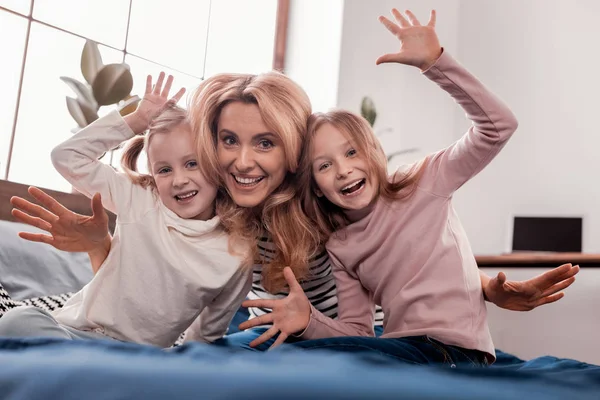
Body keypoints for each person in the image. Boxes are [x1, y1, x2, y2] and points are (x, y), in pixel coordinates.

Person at [9, 41, 577, 352]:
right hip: (229, 334)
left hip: (339, 338)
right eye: (228, 141)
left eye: (264, 144)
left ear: (293, 153)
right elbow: (152, 286)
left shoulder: (326, 205)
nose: (241, 161)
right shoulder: (187, 201)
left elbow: (398, 254)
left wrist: (487, 289)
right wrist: (99, 247)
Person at [239, 8, 579, 366]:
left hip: (453, 350)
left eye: (351, 152)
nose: (343, 170)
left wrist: (436, 63)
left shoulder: (423, 180)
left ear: (372, 152)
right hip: (403, 349)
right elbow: (357, 333)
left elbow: (498, 127)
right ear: (318, 188)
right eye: (324, 166)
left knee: (317, 355)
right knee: (310, 352)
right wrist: (308, 321)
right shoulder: (341, 244)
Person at [0, 73, 251, 348]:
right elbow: (66, 158)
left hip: (138, 358)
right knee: (17, 321)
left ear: (215, 162)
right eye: (164, 170)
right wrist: (136, 121)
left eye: (192, 164)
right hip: (76, 335)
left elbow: (205, 336)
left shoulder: (237, 255)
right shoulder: (140, 198)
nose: (179, 180)